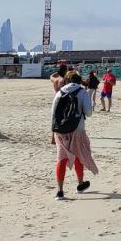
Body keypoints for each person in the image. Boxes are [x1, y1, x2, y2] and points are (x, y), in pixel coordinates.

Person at [51, 70, 98, 199]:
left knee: (61, 159)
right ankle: (80, 184)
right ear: (79, 80)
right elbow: (88, 113)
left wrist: (53, 133)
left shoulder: (60, 92)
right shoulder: (82, 92)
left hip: (60, 131)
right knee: (79, 156)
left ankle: (60, 191)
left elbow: (53, 114)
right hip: (77, 129)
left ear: (67, 80)